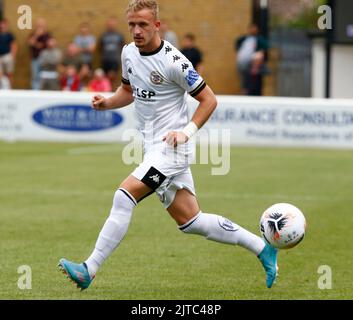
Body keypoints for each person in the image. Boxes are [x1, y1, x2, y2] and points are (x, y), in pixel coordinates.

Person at [58, 0, 278, 291]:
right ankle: (263, 249)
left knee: (124, 196)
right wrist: (108, 103)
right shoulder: (128, 53)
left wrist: (186, 131)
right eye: (132, 25)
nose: (136, 31)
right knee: (192, 221)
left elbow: (209, 99)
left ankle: (90, 268)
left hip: (173, 149)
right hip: (153, 149)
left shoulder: (175, 62)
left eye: (143, 25)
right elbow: (128, 90)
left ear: (157, 25)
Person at [235, 23, 268, 95]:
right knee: (245, 80)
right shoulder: (244, 39)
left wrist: (257, 63)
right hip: (244, 63)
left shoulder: (259, 40)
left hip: (251, 64)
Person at [100, 17, 125, 87]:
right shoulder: (103, 35)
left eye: (112, 24)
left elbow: (122, 46)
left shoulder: (119, 35)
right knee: (105, 78)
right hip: (105, 60)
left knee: (111, 76)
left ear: (115, 25)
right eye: (109, 24)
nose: (111, 26)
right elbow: (100, 47)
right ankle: (107, 90)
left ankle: (111, 91)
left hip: (114, 60)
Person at [28, 18, 51, 90]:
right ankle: (35, 91)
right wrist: (36, 35)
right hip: (35, 58)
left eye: (42, 25)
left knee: (44, 75)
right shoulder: (33, 34)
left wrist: (36, 44)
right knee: (35, 76)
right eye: (39, 25)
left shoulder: (47, 35)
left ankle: (44, 90)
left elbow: (48, 45)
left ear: (45, 26)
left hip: (46, 60)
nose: (40, 27)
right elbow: (30, 43)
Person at [0, 19, 17, 88]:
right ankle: (2, 87)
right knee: (0, 73)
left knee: (9, 73)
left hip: (7, 56)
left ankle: (10, 88)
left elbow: (14, 45)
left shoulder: (9, 35)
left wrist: (12, 56)